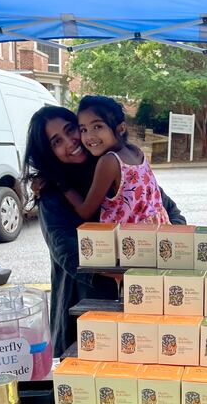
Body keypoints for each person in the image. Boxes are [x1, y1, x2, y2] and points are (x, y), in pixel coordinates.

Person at [23, 106, 186, 357]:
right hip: (88, 311)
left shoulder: (120, 167)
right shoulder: (53, 194)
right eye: (57, 141)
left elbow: (169, 210)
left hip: (145, 302)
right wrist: (134, 265)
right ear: (49, 152)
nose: (71, 142)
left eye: (71, 130)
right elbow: (68, 252)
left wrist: (165, 245)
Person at [60, 95, 170, 225]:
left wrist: (60, 183)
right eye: (83, 129)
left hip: (132, 240)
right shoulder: (135, 151)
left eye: (97, 127)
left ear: (121, 128)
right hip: (157, 232)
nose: (89, 136)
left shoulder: (109, 161)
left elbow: (85, 211)